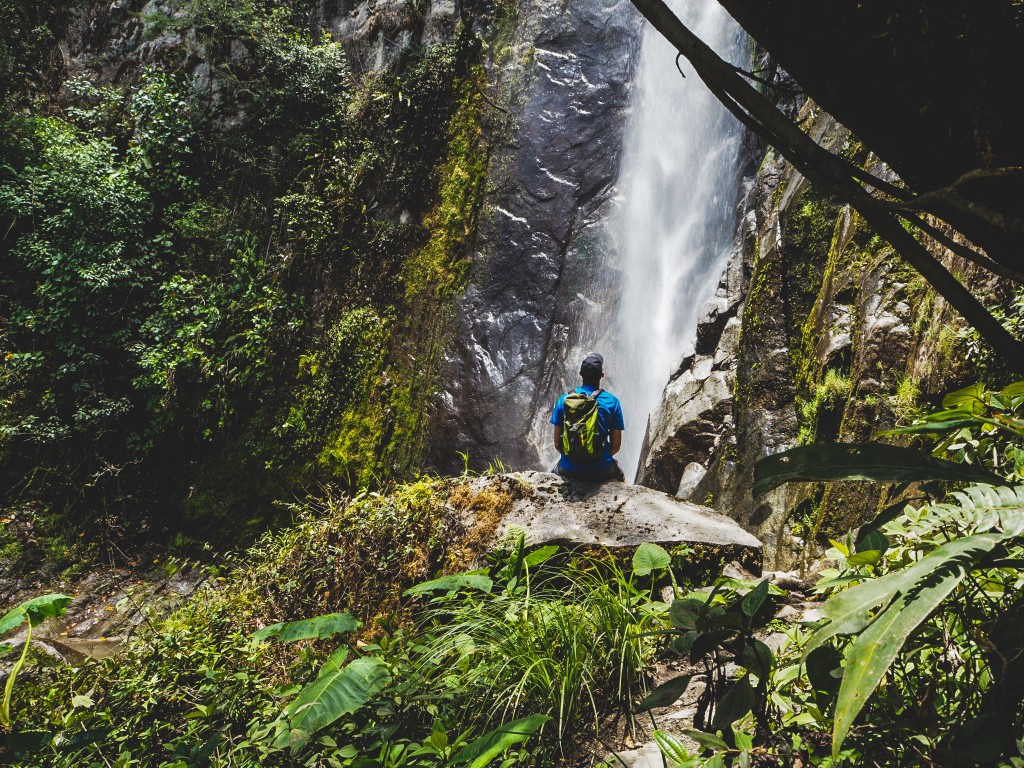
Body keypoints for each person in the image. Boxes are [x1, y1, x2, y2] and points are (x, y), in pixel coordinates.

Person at [550, 353, 625, 481]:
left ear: (580, 374)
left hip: (569, 468)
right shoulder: (613, 402)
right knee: (620, 476)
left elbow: (557, 443)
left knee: (551, 475)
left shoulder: (564, 400)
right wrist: (597, 460)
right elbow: (616, 446)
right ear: (602, 375)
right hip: (601, 469)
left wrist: (575, 459)